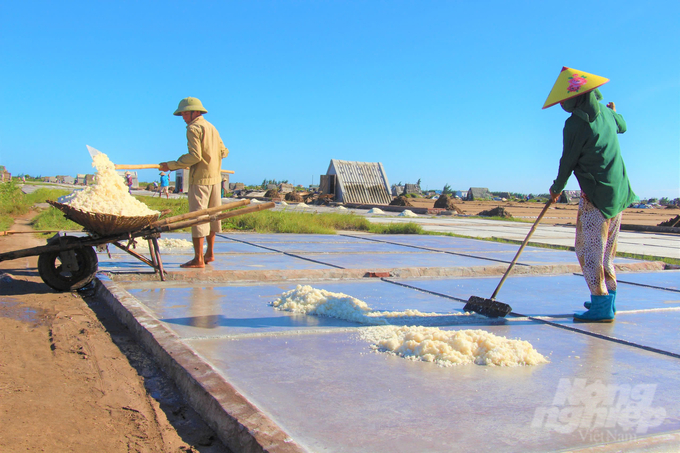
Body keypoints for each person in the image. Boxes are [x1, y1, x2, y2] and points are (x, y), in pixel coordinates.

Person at [543, 67, 637, 323]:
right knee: (607, 252)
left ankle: (601, 305)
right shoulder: (606, 112)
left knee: (588, 251)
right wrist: (614, 111)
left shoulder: (575, 124)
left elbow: (568, 161)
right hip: (618, 192)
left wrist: (557, 188)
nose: (563, 103)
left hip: (597, 197)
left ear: (577, 98)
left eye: (565, 98)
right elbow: (623, 126)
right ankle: (609, 299)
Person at [160, 97, 229, 268]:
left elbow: (195, 156)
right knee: (213, 217)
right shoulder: (212, 127)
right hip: (215, 179)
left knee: (198, 219)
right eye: (182, 114)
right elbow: (224, 151)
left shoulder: (193, 128)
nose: (183, 117)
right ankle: (209, 253)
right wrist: (212, 159)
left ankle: (198, 259)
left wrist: (171, 165)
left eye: (185, 113)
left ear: (195, 112)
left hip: (200, 180)